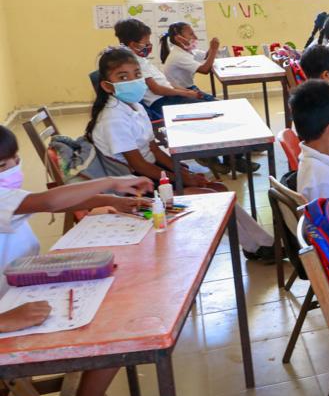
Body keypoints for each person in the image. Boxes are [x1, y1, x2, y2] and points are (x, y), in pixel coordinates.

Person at [0, 124, 151, 396]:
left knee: (115, 316)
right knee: (113, 334)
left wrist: (111, 200)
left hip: (24, 289)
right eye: (1, 167)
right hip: (10, 312)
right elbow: (51, 199)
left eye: (14, 161)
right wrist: (112, 182)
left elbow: (45, 205)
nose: (11, 171)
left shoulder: (7, 197)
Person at [86, 47, 275, 259]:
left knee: (218, 190)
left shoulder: (135, 107)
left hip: (151, 179)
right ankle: (261, 247)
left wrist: (183, 174)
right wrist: (179, 179)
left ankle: (260, 246)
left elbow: (153, 149)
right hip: (138, 198)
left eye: (137, 74)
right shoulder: (113, 119)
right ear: (107, 85)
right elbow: (139, 165)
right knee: (213, 197)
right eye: (123, 76)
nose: (133, 80)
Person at [158, 22, 257, 175]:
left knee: (227, 108)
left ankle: (232, 156)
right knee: (223, 111)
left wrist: (211, 50)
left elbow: (204, 57)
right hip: (179, 97)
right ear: (179, 38)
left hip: (188, 91)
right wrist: (214, 49)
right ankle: (220, 156)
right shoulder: (178, 55)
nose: (195, 37)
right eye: (190, 34)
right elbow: (205, 69)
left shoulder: (185, 51)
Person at [113, 18, 211, 119]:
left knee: (208, 103)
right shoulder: (133, 62)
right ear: (134, 44)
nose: (149, 44)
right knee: (207, 108)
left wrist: (186, 92)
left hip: (169, 95)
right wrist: (185, 93)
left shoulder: (139, 59)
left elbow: (164, 82)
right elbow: (157, 89)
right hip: (162, 101)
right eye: (146, 42)